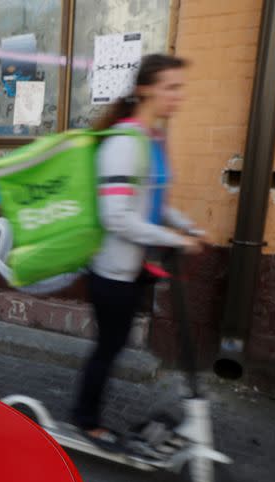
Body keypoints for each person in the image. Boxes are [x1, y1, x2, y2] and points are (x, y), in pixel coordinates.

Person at [71, 54, 203, 449]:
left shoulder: (151, 138)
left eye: (180, 87)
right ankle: (85, 419)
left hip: (134, 268)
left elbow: (151, 202)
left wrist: (187, 226)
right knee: (108, 348)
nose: (178, 96)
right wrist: (176, 239)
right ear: (146, 88)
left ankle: (87, 411)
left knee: (112, 345)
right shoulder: (124, 144)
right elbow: (118, 217)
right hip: (111, 270)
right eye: (171, 87)